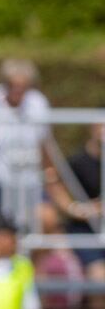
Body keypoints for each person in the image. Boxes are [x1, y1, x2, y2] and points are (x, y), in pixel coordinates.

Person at [0, 58, 54, 232]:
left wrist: (50, 176)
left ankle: (31, 260)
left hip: (30, 182)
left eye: (23, 86)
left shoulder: (38, 104)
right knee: (2, 231)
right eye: (13, 85)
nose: (18, 90)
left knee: (48, 221)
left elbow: (44, 144)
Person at [44, 120, 105, 295]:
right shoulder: (77, 162)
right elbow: (54, 183)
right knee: (99, 277)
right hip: (85, 230)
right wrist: (77, 209)